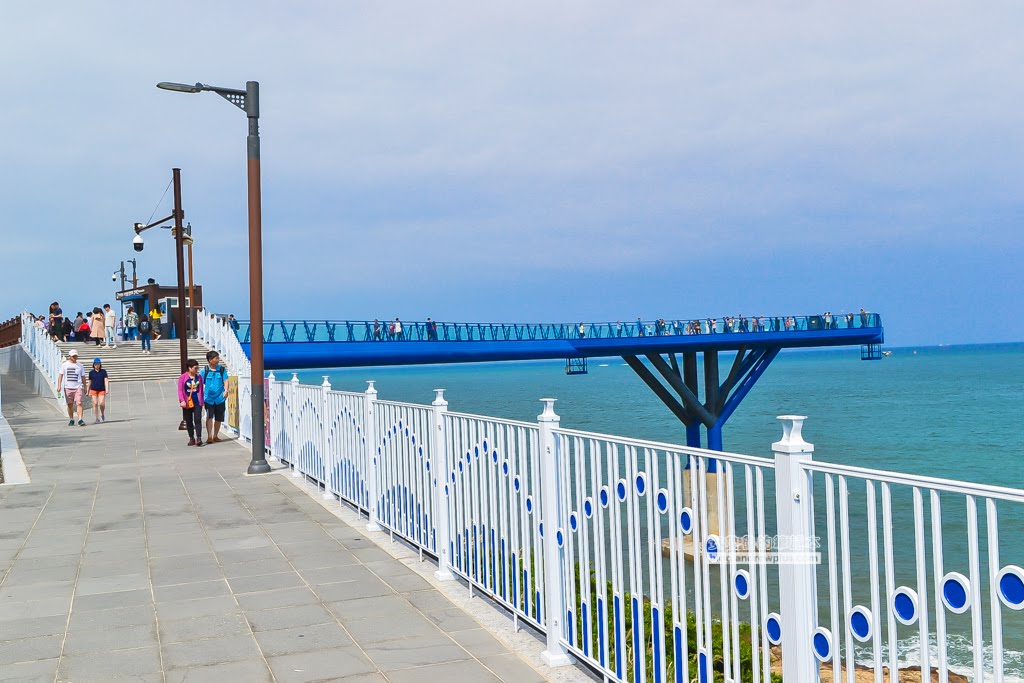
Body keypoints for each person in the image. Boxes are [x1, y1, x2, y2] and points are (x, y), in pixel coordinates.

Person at [202, 351, 228, 444]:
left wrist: (226, 390)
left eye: (218, 358)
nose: (217, 360)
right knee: (209, 416)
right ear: (210, 360)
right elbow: (200, 383)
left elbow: (226, 380)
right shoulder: (204, 370)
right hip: (208, 398)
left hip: (220, 398)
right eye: (216, 358)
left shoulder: (222, 370)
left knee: (219, 417)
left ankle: (215, 435)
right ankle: (209, 436)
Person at [177, 359, 205, 447]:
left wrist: (201, 400)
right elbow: (180, 390)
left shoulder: (199, 377)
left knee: (197, 419)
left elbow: (201, 389)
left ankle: (199, 438)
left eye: (197, 368)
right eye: (195, 368)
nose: (197, 370)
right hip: (187, 402)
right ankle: (191, 438)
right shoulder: (183, 377)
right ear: (189, 368)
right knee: (189, 420)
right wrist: (182, 400)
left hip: (197, 401)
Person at [56, 349, 87, 427]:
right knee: (70, 404)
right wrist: (59, 385)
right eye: (73, 356)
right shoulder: (64, 365)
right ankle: (71, 419)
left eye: (75, 356)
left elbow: (83, 377)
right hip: (68, 387)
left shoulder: (80, 365)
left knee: (79, 403)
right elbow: (60, 375)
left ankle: (80, 419)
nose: (74, 357)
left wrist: (85, 386)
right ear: (69, 356)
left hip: (78, 387)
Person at [88, 358, 110, 423]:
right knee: (95, 403)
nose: (97, 365)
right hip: (93, 389)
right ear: (93, 364)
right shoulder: (91, 373)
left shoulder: (103, 372)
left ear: (100, 364)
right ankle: (97, 418)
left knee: (101, 403)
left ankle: (102, 413)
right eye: (95, 364)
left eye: (98, 364)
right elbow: (89, 382)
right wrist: (87, 390)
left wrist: (107, 389)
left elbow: (106, 380)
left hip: (101, 389)